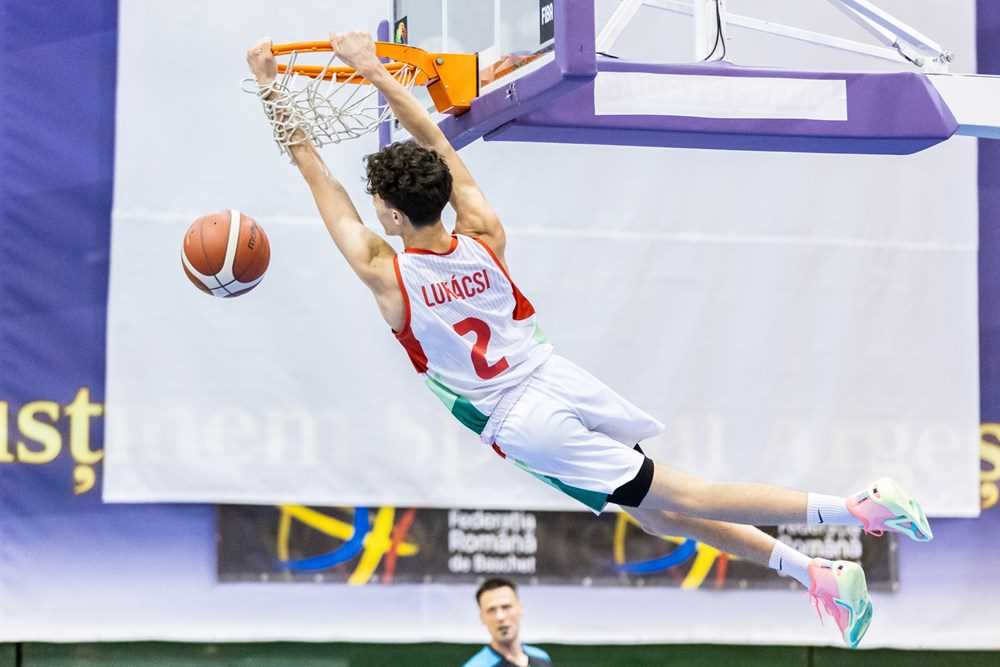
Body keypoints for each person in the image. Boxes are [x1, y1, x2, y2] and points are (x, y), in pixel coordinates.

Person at [245, 33, 933, 648]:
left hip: (524, 420)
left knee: (686, 495)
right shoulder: (483, 231)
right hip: (556, 375)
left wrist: (273, 87)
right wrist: (375, 70)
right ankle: (816, 571)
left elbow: (317, 175)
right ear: (441, 197)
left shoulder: (385, 273)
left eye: (378, 205)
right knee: (662, 518)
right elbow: (433, 136)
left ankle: (856, 506)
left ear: (391, 212)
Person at [462, 578, 552, 667]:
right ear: (482, 618)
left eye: (506, 607)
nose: (500, 617)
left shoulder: (542, 658)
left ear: (520, 608)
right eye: (491, 610)